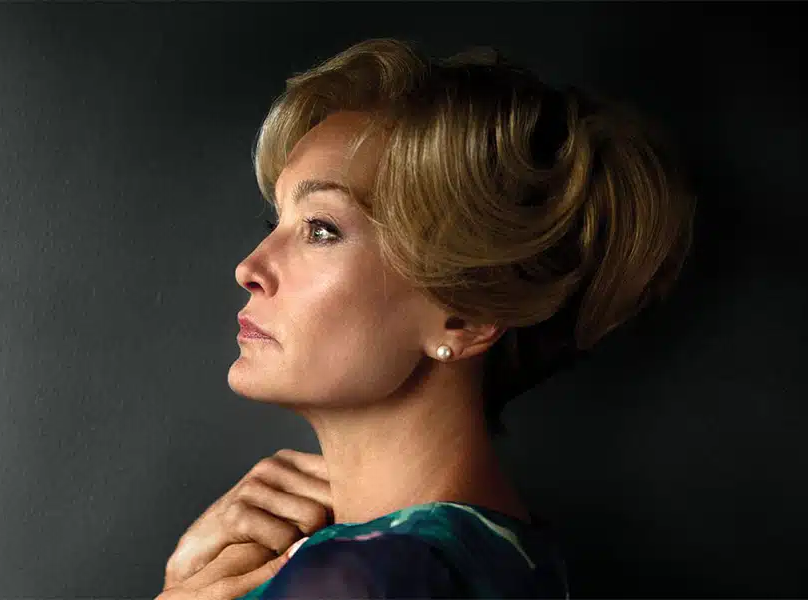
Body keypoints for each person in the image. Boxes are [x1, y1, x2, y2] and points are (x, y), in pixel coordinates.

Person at [227, 37, 696, 599]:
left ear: (466, 317)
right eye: (275, 223)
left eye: (321, 229)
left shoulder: (359, 579)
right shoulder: (506, 557)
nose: (250, 268)